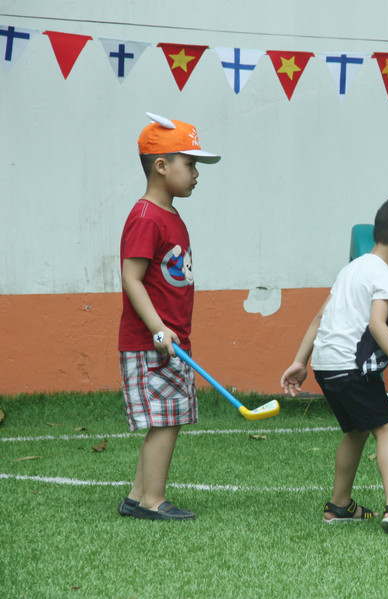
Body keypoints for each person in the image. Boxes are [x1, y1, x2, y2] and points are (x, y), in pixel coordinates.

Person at [281, 194, 388, 534]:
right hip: (353, 366)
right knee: (385, 428)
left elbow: (317, 319)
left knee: (355, 431)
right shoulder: (385, 275)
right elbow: (377, 324)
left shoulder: (350, 270)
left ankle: (339, 505)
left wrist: (300, 362)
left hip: (327, 367)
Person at [117, 113, 220, 520]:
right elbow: (131, 277)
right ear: (161, 166)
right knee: (164, 421)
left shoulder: (170, 216)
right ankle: (152, 501)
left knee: (169, 416)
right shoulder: (146, 217)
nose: (196, 173)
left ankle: (136, 495)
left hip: (170, 340)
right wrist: (159, 328)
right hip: (151, 343)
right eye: (190, 164)